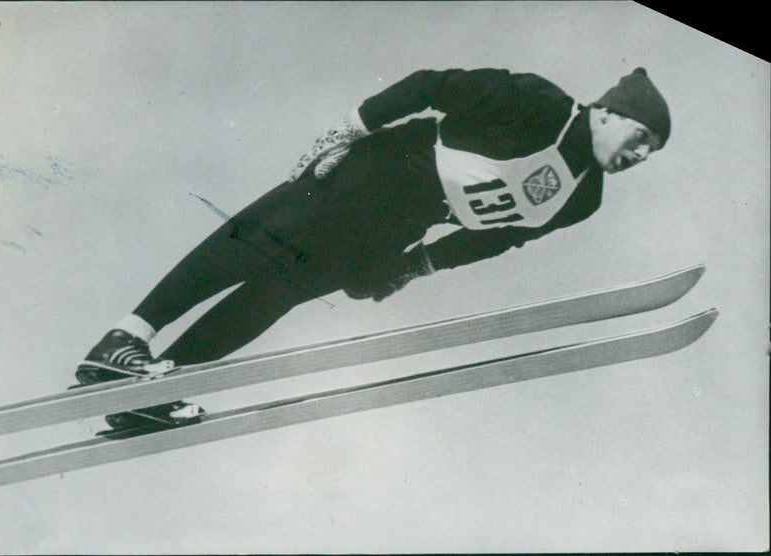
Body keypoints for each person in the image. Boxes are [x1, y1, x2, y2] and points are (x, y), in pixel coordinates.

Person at [75, 66, 670, 427]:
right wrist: (349, 130)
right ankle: (127, 337)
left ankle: (167, 382)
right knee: (256, 245)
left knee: (283, 291)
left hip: (405, 220)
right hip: (382, 169)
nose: (639, 156)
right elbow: (430, 86)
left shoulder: (583, 198)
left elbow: (501, 238)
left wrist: (418, 264)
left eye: (651, 153)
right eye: (640, 137)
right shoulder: (542, 104)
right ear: (609, 112)